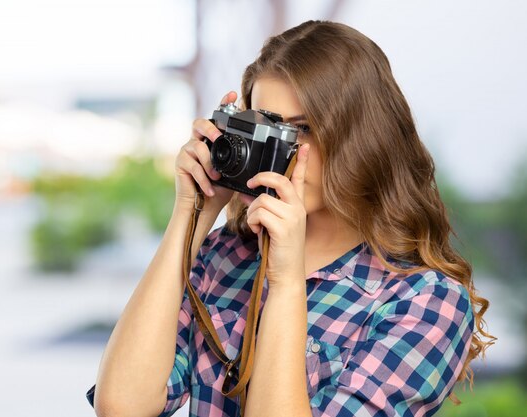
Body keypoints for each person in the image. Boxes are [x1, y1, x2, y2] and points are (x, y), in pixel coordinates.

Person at [89, 20, 494, 417]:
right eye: (268, 128)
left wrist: (285, 283)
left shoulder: (424, 301)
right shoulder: (223, 257)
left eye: (303, 129)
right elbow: (123, 407)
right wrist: (190, 215)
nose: (284, 152)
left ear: (367, 135)